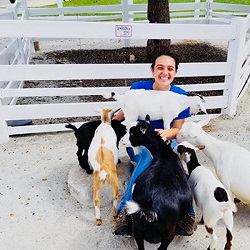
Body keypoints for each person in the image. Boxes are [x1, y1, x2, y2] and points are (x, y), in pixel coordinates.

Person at [112, 52, 197, 237]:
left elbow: (177, 129)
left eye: (170, 68)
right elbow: (121, 116)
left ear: (175, 72)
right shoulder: (138, 89)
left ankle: (188, 214)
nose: (164, 72)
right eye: (160, 67)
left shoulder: (180, 95)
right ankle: (125, 212)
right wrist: (106, 123)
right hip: (139, 143)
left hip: (165, 143)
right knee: (147, 159)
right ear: (152, 70)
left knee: (178, 166)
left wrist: (168, 133)